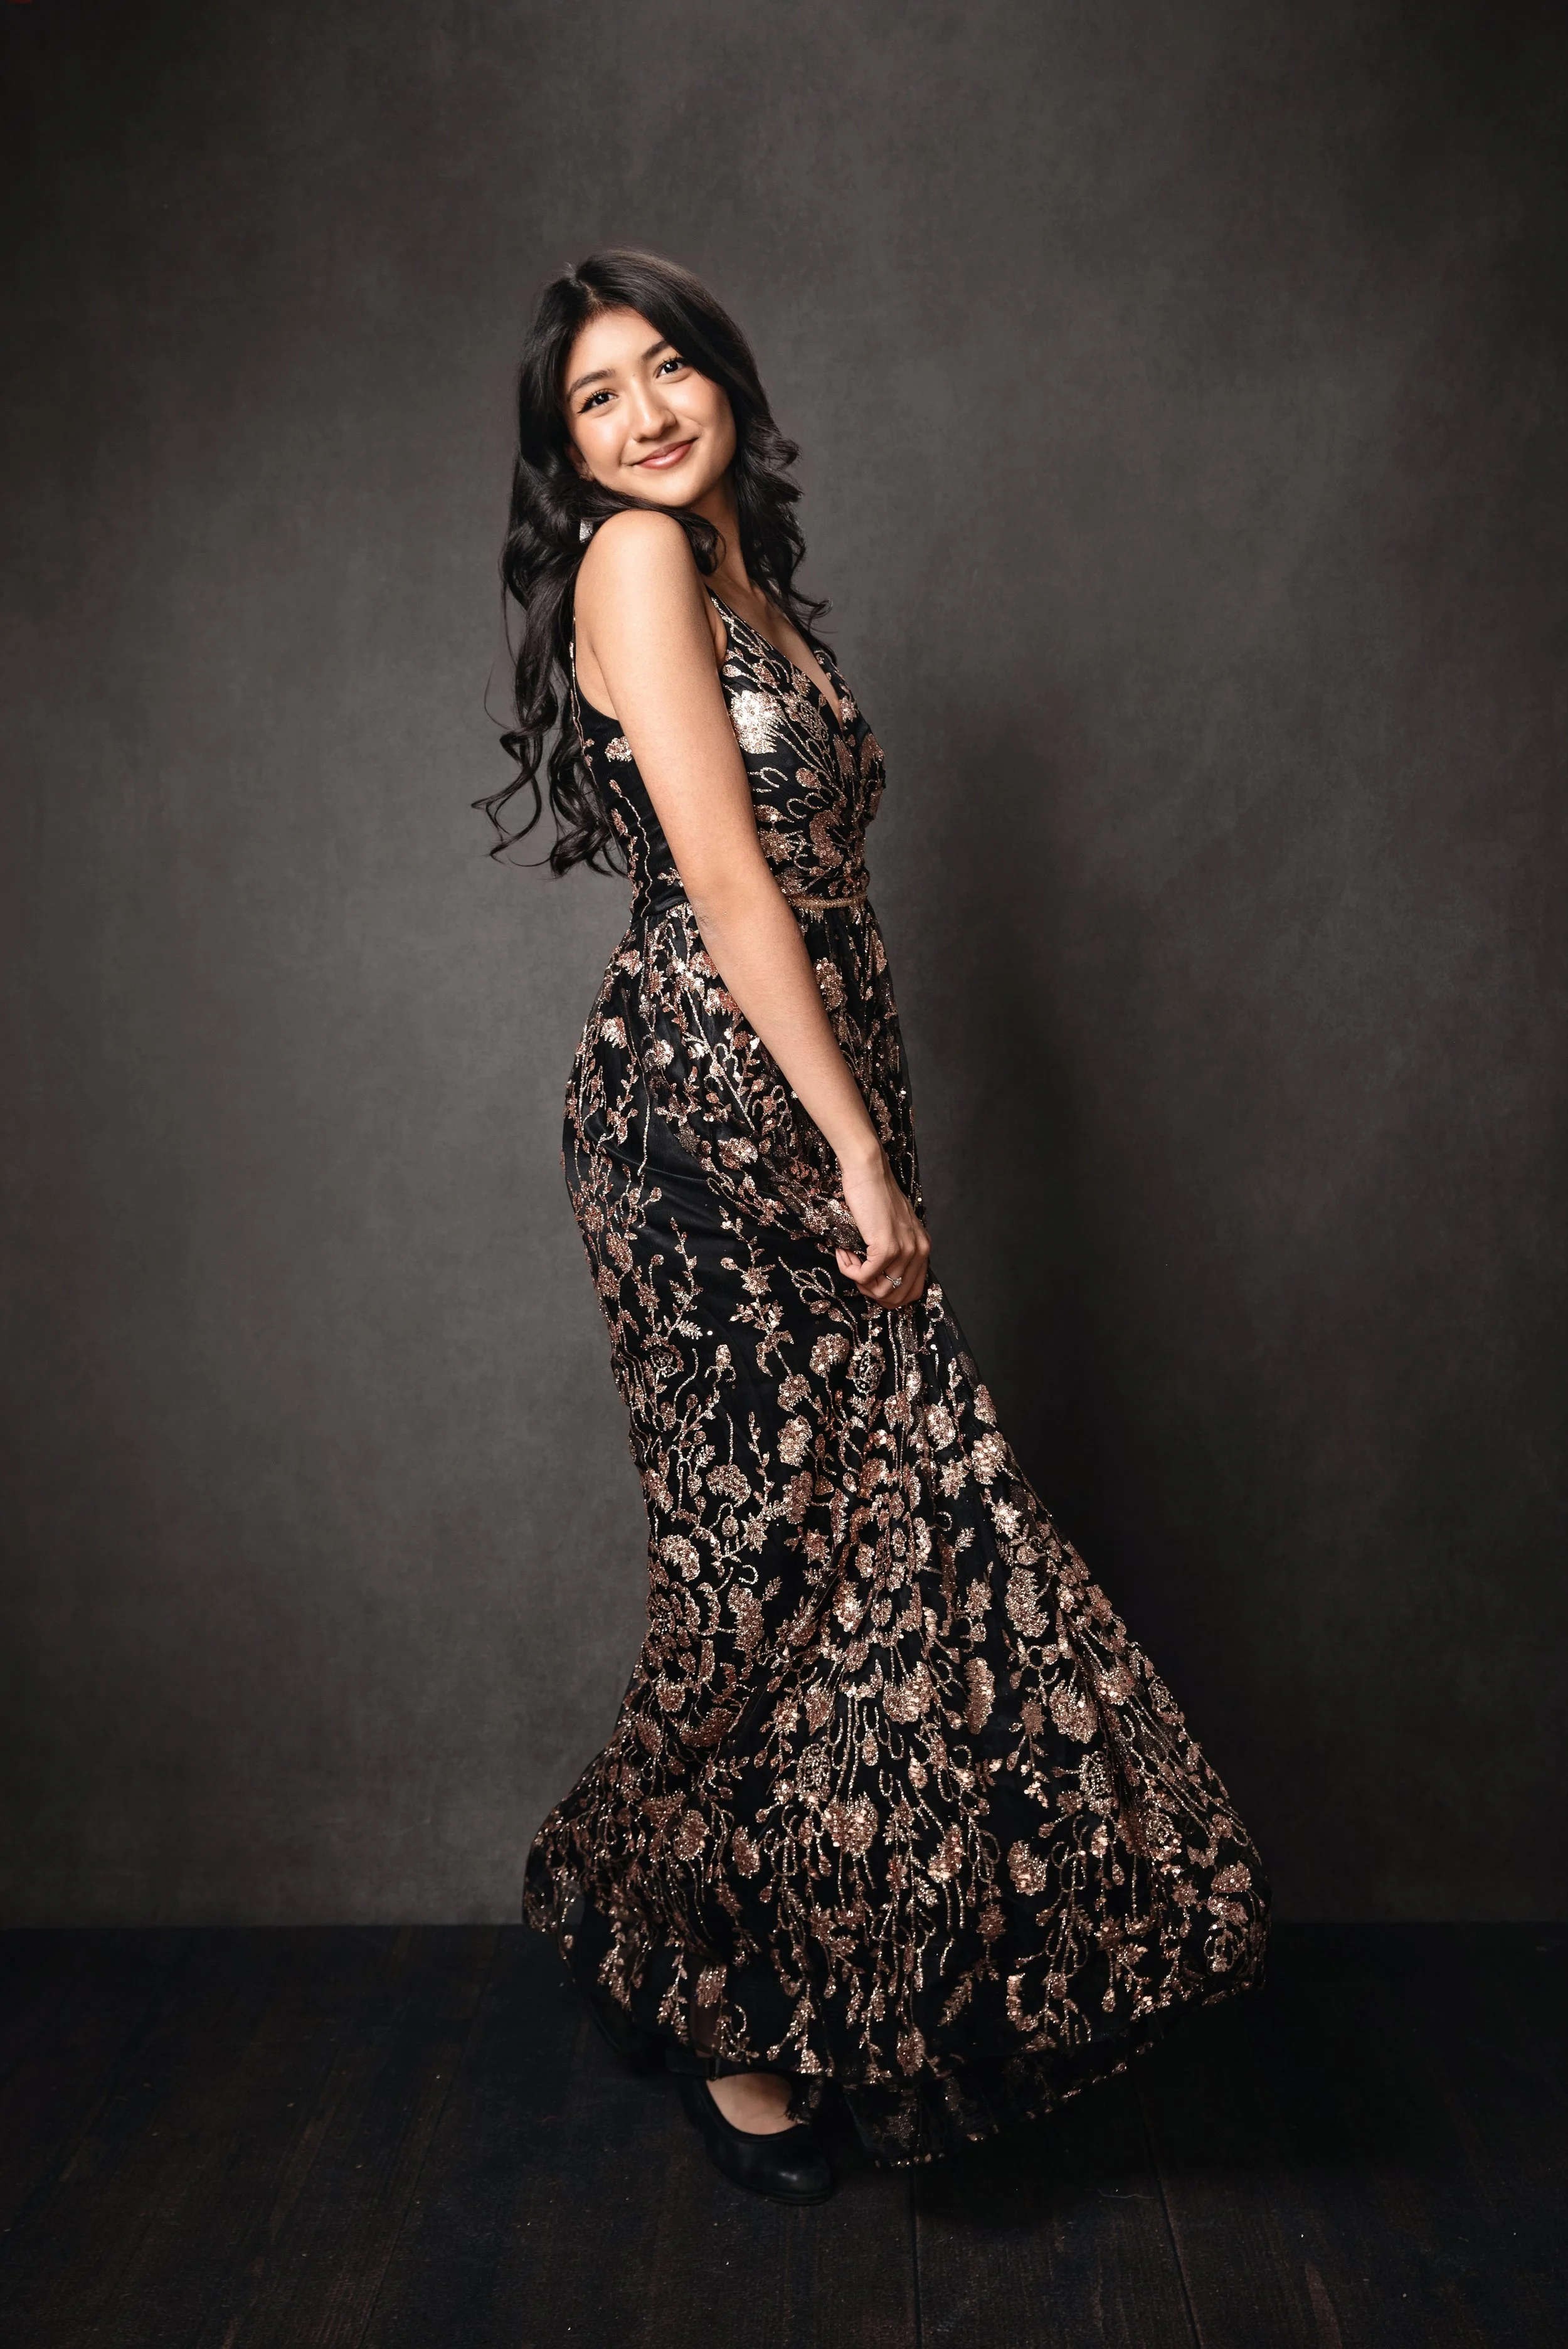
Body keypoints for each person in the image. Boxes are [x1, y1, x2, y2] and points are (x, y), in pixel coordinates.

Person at [484, 249, 1268, 2203]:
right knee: (766, 1561)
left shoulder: (741, 578)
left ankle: (770, 1959)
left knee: (861, 1557)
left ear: (723, 376)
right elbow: (730, 880)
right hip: (702, 1113)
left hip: (811, 1090)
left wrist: (859, 1129)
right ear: (564, 451)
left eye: (666, 368)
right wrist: (854, 1151)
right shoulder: (635, 564)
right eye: (596, 397)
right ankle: (701, 1990)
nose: (644, 415)